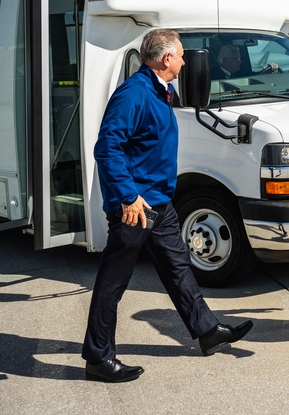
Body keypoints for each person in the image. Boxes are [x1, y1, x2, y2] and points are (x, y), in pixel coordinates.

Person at [83, 28, 253, 383]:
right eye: (180, 55)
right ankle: (98, 358)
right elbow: (107, 147)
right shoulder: (134, 94)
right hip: (136, 208)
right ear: (165, 59)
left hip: (161, 204)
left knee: (179, 271)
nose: (184, 61)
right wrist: (128, 196)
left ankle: (207, 332)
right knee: (112, 284)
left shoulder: (162, 91)